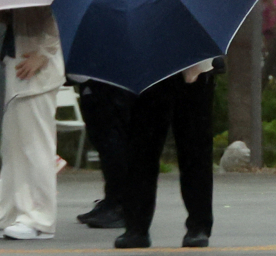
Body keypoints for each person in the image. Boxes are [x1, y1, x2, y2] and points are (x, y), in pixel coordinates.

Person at [0, 6, 65, 240]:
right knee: (13, 149)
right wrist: (5, 15)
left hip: (37, 72)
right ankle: (1, 215)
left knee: (37, 147)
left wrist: (45, 54)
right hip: (18, 65)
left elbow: (63, 20)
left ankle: (40, 219)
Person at [115, 58, 222, 249]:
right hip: (149, 71)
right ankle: (137, 227)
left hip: (195, 66)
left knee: (195, 150)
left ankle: (199, 226)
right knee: (141, 150)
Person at [74, 78, 134, 228]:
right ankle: (112, 200)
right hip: (95, 78)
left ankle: (120, 205)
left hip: (110, 80)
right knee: (102, 138)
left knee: (112, 140)